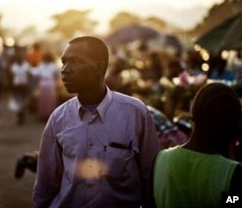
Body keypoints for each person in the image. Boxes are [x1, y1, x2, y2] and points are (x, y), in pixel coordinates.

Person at [33, 36, 160, 208]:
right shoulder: (59, 118)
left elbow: (150, 179)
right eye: (64, 62)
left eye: (75, 62)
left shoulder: (136, 114)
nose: (65, 70)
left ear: (98, 68)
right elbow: (45, 184)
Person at [153, 82, 242, 208]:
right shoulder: (231, 173)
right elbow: (233, 201)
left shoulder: (161, 160)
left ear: (193, 114)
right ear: (231, 126)